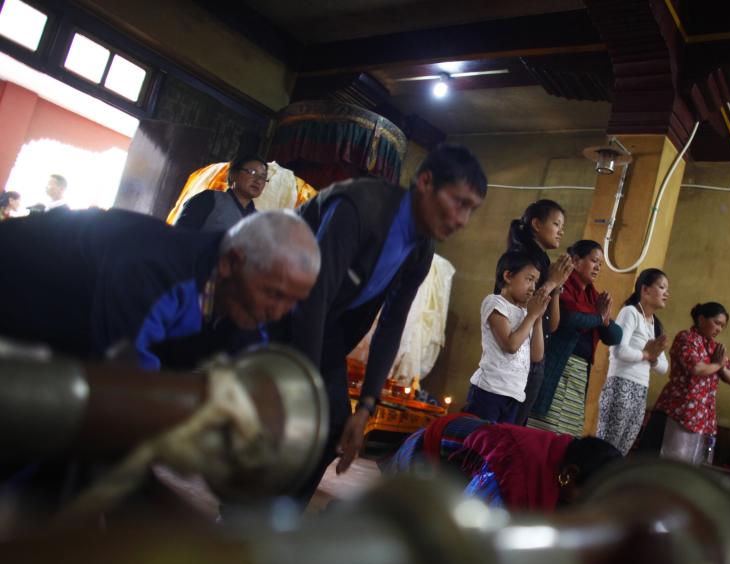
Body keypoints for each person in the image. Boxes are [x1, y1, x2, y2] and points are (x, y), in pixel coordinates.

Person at [288, 143, 487, 493]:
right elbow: (311, 297)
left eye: (471, 210)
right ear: (425, 182)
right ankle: (240, 510)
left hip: (327, 333)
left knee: (335, 428)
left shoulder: (422, 249)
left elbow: (392, 323)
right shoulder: (358, 206)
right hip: (277, 312)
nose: (461, 221)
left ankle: (280, 514)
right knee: (287, 420)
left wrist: (365, 408)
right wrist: (302, 383)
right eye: (459, 202)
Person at [0, 209, 319, 370]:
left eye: (294, 301)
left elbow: (243, 375)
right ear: (230, 264)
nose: (278, 312)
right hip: (18, 277)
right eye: (274, 294)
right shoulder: (154, 271)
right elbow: (125, 386)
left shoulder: (243, 304)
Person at [383, 412, 622, 511]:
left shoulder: (558, 457)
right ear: (569, 474)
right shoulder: (512, 470)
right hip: (420, 458)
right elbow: (470, 532)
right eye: (589, 496)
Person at [528, 240, 622, 437]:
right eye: (594, 261)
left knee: (567, 435)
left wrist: (602, 320)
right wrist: (599, 317)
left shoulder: (593, 295)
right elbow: (570, 318)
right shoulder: (562, 286)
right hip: (558, 364)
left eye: (600, 264)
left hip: (579, 373)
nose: (597, 267)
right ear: (576, 261)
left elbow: (615, 336)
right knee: (545, 430)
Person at [639, 302, 730, 464]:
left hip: (703, 419)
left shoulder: (714, 348)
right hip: (679, 412)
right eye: (716, 323)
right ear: (701, 319)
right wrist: (717, 365)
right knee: (667, 462)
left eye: (722, 326)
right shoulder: (686, 338)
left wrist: (721, 369)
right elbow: (696, 368)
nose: (719, 329)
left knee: (689, 468)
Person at [504, 200, 574, 424]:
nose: (561, 231)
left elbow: (551, 325)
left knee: (518, 426)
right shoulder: (521, 258)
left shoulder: (544, 262)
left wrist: (556, 287)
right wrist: (551, 282)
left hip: (535, 356)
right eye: (556, 224)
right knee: (505, 426)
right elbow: (524, 308)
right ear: (536, 224)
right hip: (515, 355)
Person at [464, 251, 550, 423]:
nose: (533, 287)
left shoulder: (527, 313)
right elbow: (510, 346)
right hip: (489, 390)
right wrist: (531, 317)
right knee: (477, 442)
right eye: (528, 279)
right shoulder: (495, 303)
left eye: (536, 281)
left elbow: (537, 356)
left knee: (498, 446)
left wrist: (538, 318)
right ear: (508, 276)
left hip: (515, 394)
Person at [595, 268, 669, 455]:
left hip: (640, 390)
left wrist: (651, 357)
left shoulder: (655, 324)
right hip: (620, 385)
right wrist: (646, 355)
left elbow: (663, 367)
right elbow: (618, 350)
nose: (666, 293)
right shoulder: (630, 312)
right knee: (606, 447)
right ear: (645, 290)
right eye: (662, 287)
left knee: (622, 450)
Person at [175, 154, 268, 230]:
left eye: (263, 177)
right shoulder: (209, 199)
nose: (258, 180)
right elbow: (180, 236)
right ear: (233, 174)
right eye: (252, 172)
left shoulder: (259, 220)